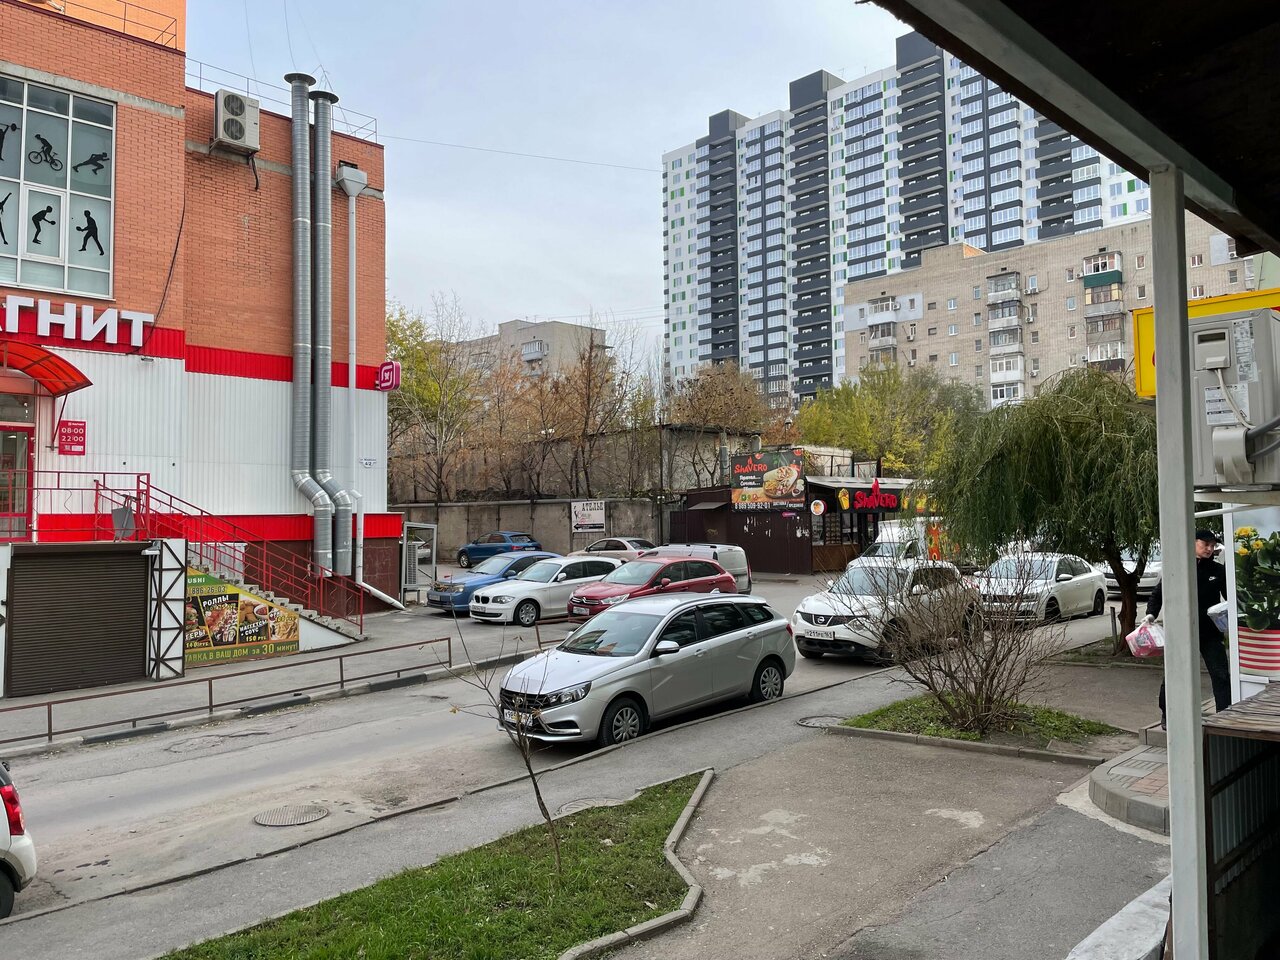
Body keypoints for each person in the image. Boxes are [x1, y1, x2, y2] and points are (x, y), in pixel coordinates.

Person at [1144, 528, 1231, 729]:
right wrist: (1151, 614)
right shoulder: (1178, 567)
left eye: (1213, 545)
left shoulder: (1218, 571)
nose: (1209, 549)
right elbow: (1158, 594)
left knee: (1220, 674)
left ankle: (1224, 714)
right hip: (1181, 631)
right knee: (1174, 674)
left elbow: (1230, 598)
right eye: (1205, 544)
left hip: (1209, 633)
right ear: (1193, 542)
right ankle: (1168, 714)